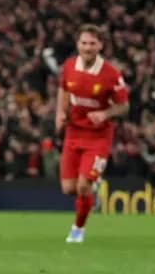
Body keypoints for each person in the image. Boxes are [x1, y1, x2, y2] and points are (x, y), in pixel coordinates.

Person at [56, 24, 128, 243]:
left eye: (92, 44)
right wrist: (60, 112)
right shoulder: (69, 66)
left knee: (83, 186)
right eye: (84, 43)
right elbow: (64, 89)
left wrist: (105, 114)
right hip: (73, 132)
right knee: (69, 188)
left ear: (100, 46)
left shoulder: (111, 75)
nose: (87, 48)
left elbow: (124, 106)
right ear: (78, 44)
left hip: (98, 137)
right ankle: (90, 194)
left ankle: (78, 229)